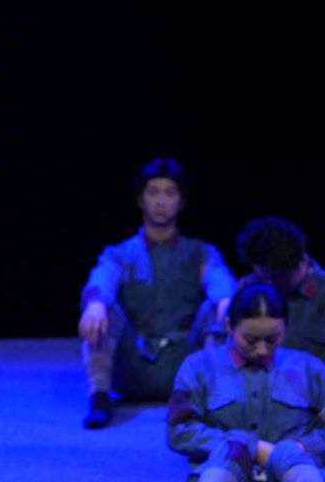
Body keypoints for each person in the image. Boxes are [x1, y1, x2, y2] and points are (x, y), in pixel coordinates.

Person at [78, 157, 236, 429]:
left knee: (221, 307)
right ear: (141, 200)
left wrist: (225, 300)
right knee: (103, 306)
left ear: (181, 201)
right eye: (153, 192)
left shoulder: (200, 252)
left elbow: (218, 278)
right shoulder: (120, 253)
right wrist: (96, 303)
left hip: (185, 366)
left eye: (170, 193)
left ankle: (217, 398)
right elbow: (103, 277)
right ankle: (99, 397)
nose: (161, 201)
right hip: (135, 364)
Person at [168, 280, 325, 482]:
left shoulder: (310, 368)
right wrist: (250, 446)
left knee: (289, 453)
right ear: (230, 326)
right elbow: (179, 430)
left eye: (272, 339)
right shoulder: (198, 366)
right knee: (236, 447)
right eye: (251, 340)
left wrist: (301, 447)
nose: (262, 349)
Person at [235, 216, 325, 363]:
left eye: (278, 278)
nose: (269, 286)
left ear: (303, 261)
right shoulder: (247, 289)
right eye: (262, 277)